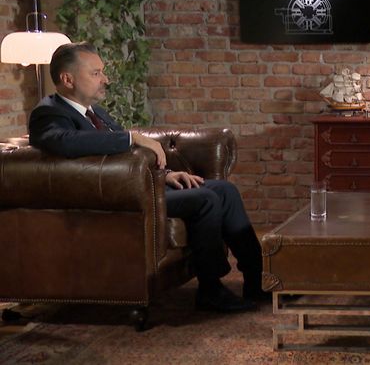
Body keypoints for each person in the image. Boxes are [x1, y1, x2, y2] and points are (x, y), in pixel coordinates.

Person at [28, 42, 269, 313]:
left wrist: (164, 175)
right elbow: (65, 141)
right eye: (96, 73)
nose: (105, 79)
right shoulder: (48, 113)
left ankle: (257, 279)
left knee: (225, 190)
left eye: (102, 72)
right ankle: (210, 290)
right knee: (206, 199)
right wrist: (132, 137)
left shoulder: (95, 112)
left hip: (139, 187)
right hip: (115, 199)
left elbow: (125, 158)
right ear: (67, 79)